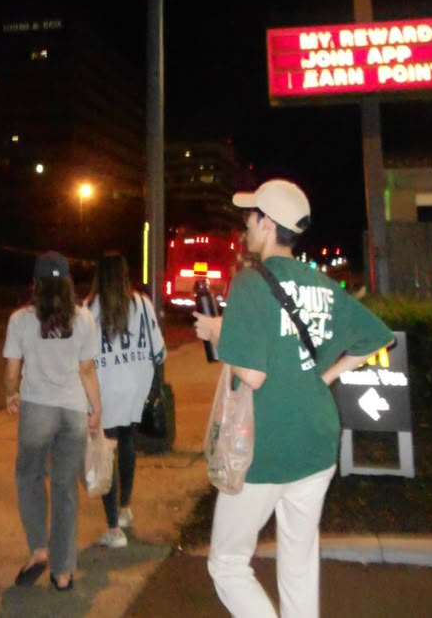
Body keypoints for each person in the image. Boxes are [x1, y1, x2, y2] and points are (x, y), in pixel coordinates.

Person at [193, 179, 394, 618]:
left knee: (227, 564)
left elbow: (254, 374)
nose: (245, 223)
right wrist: (324, 377)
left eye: (250, 216)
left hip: (268, 444)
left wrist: (216, 332)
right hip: (318, 439)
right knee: (299, 559)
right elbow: (375, 338)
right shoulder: (321, 283)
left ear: (266, 223)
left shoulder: (250, 282)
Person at [3, 250, 102, 591]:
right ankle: (63, 572)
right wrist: (96, 408)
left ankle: (38, 550)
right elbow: (87, 369)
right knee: (64, 489)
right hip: (73, 410)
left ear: (36, 284)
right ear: (69, 285)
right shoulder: (84, 319)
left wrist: (11, 393)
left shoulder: (20, 319)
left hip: (37, 410)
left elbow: (13, 368)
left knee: (28, 477)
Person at [86, 251, 165, 548]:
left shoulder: (90, 308)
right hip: (135, 387)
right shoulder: (142, 304)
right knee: (127, 442)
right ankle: (124, 509)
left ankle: (113, 530)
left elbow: (82, 359)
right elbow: (158, 350)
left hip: (104, 390)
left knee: (105, 452)